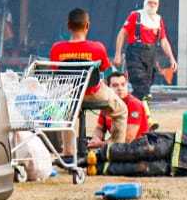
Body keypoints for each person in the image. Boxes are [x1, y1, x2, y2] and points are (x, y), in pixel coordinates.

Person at [49, 8, 128, 152]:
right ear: (87, 26)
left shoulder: (57, 48)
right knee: (122, 110)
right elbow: (104, 68)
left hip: (70, 96)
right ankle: (115, 150)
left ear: (68, 26)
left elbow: (56, 73)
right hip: (93, 94)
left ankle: (69, 154)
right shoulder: (97, 47)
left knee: (67, 116)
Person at [113, 0, 176, 100]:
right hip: (134, 53)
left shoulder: (158, 20)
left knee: (146, 85)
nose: (152, 5)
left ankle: (134, 107)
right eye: (150, 2)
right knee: (139, 82)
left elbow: (164, 41)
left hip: (150, 54)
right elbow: (122, 34)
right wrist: (117, 54)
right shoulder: (135, 15)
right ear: (145, 3)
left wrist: (172, 58)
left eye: (155, 3)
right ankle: (136, 108)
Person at [93, 71, 148, 145]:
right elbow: (99, 128)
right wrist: (96, 138)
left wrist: (100, 144)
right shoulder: (107, 104)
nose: (120, 88)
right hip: (118, 147)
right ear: (108, 87)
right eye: (115, 85)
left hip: (138, 148)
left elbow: (128, 139)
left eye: (123, 85)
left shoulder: (134, 104)